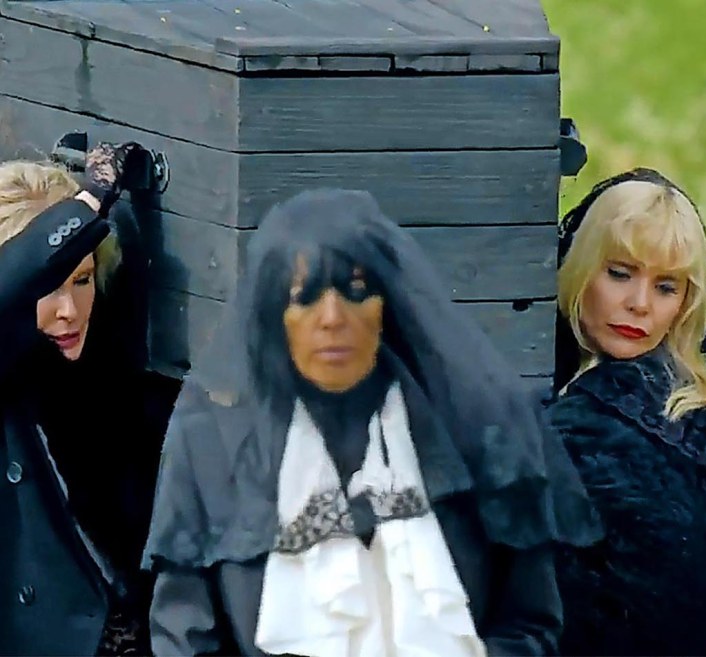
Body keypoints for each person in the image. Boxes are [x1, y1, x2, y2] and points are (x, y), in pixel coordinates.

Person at [142, 188, 601, 657]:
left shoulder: (480, 433)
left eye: (356, 292)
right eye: (305, 297)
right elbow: (184, 637)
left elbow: (529, 624)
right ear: (272, 316)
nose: (332, 318)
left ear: (389, 307)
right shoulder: (211, 444)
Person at [548, 168, 706, 656]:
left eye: (666, 287)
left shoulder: (588, 429)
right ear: (580, 266)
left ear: (686, 303)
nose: (639, 304)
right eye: (620, 273)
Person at [0, 147, 178, 656]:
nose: (68, 312)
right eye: (46, 288)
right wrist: (90, 197)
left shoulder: (111, 373)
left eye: (81, 281)